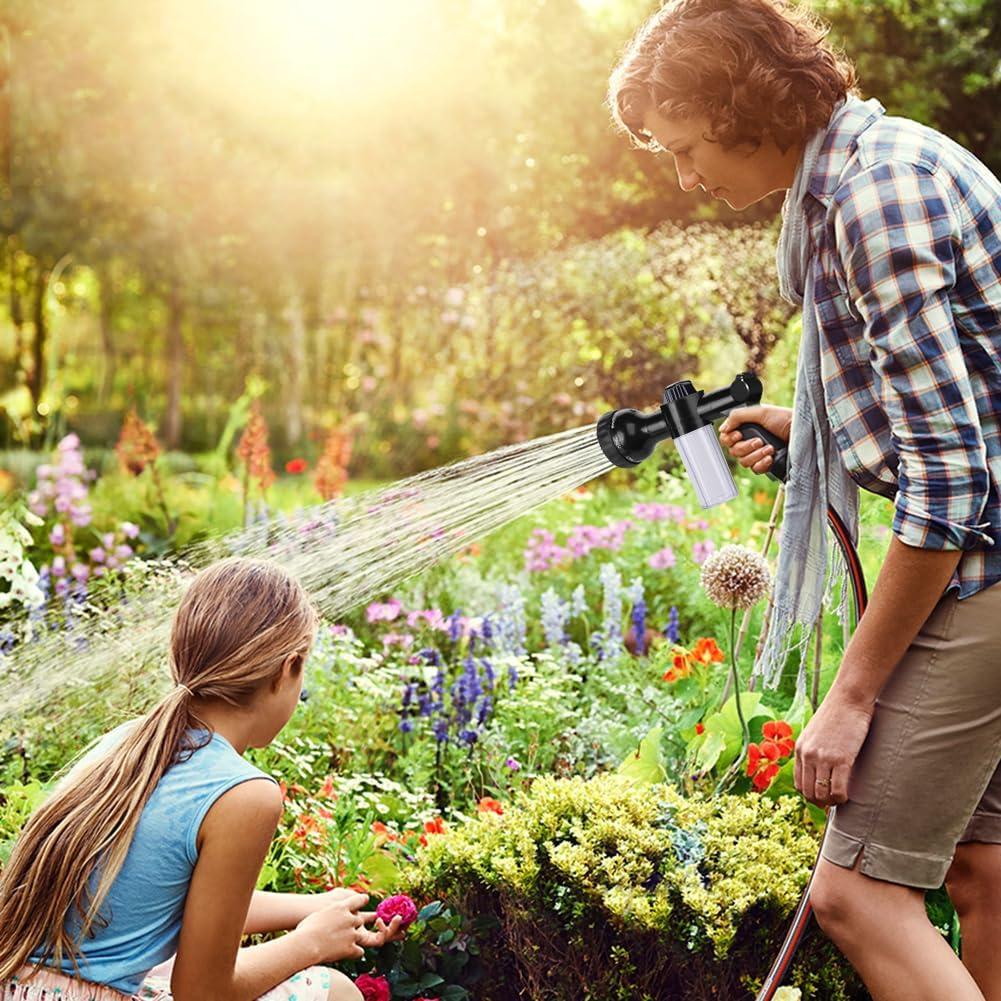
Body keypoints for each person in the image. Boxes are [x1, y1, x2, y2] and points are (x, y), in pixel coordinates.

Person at [608, 2, 1001, 1000]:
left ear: (750, 102)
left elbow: (951, 484)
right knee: (979, 868)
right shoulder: (865, 173)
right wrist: (815, 423)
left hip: (985, 566)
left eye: (689, 146)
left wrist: (851, 692)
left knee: (855, 896)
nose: (687, 176)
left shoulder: (875, 199)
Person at [0, 557, 404, 1001]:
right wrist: (309, 943)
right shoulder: (245, 794)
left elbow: (180, 901)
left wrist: (319, 907)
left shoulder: (131, 744)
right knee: (332, 992)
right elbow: (202, 993)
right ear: (287, 668)